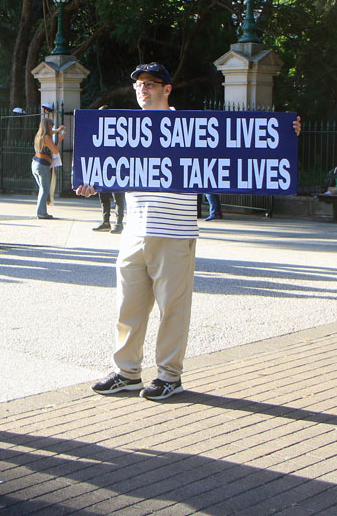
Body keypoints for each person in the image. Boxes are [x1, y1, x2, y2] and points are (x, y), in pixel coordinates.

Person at [78, 62, 302, 401]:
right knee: (128, 309)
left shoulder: (193, 129)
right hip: (134, 231)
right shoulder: (122, 130)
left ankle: (169, 375)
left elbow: (246, 146)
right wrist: (91, 183)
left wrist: (287, 133)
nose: (143, 89)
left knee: (173, 309)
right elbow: (103, 169)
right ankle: (127, 372)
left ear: (167, 89)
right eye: (139, 84)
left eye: (151, 83)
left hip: (174, 231)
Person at [32, 117, 64, 219]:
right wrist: (60, 140)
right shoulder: (47, 137)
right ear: (48, 126)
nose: (52, 128)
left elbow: (50, 133)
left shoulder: (39, 135)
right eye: (52, 126)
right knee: (45, 189)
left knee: (43, 189)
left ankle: (42, 212)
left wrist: (57, 130)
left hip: (35, 164)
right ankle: (41, 213)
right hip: (42, 166)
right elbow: (56, 151)